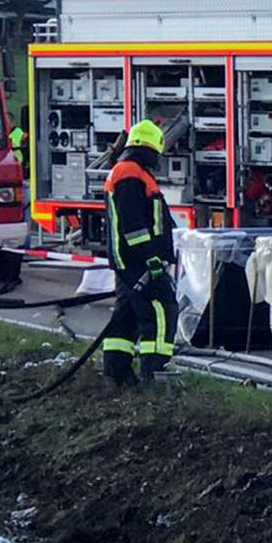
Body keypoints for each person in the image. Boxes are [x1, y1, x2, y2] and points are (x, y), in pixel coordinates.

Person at [101, 120, 178, 386]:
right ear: (148, 148)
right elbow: (133, 226)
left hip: (130, 262)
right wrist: (151, 258)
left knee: (127, 316)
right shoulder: (129, 174)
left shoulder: (130, 171)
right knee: (161, 310)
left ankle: (117, 372)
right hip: (138, 263)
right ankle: (155, 374)